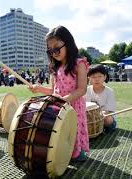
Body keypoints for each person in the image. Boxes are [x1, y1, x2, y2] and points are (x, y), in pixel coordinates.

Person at [29, 25, 89, 162]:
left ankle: (77, 153)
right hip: (57, 105)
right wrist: (38, 88)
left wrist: (66, 99)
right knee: (58, 131)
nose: (54, 52)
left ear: (67, 42)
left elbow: (82, 89)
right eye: (50, 50)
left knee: (71, 131)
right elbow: (52, 90)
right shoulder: (55, 68)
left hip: (73, 105)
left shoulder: (79, 64)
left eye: (56, 48)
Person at [85, 64, 117, 133]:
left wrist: (98, 116)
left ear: (105, 77)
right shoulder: (86, 91)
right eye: (93, 77)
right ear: (89, 78)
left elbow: (108, 111)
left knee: (107, 119)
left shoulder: (109, 92)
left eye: (100, 76)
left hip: (105, 119)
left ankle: (102, 129)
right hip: (91, 119)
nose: (97, 79)